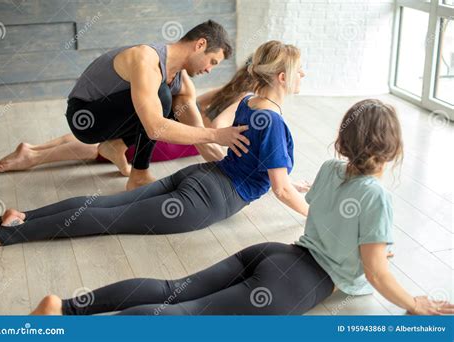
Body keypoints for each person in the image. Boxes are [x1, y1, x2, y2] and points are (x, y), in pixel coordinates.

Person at [29, 99, 454, 316]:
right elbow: (376, 271)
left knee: (171, 290)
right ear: (392, 147)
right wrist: (415, 304)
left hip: (276, 253)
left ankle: (65, 308)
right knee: (189, 317)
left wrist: (367, 247)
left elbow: (327, 218)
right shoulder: (377, 195)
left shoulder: (329, 168)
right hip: (301, 279)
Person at [0, 40, 307, 247]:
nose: (303, 75)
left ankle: (17, 216)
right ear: (281, 77)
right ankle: (6, 234)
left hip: (200, 175)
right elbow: (279, 190)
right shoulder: (275, 121)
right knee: (109, 220)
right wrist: (312, 214)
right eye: (299, 71)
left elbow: (260, 163)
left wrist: (290, 184)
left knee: (106, 206)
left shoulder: (248, 100)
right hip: (210, 198)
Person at [0, 20, 252, 191]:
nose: (209, 69)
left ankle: (113, 146)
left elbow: (202, 141)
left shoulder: (182, 84)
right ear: (200, 44)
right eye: (212, 62)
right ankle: (138, 174)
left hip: (112, 120)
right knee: (161, 98)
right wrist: (218, 133)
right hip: (85, 117)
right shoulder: (146, 59)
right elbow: (155, 128)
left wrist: (238, 177)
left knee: (170, 102)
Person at [0, 56, 256, 173]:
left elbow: (192, 102)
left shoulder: (229, 88)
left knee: (107, 137)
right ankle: (35, 157)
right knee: (103, 149)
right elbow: (218, 127)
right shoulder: (246, 99)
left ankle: (34, 148)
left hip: (180, 129)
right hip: (178, 141)